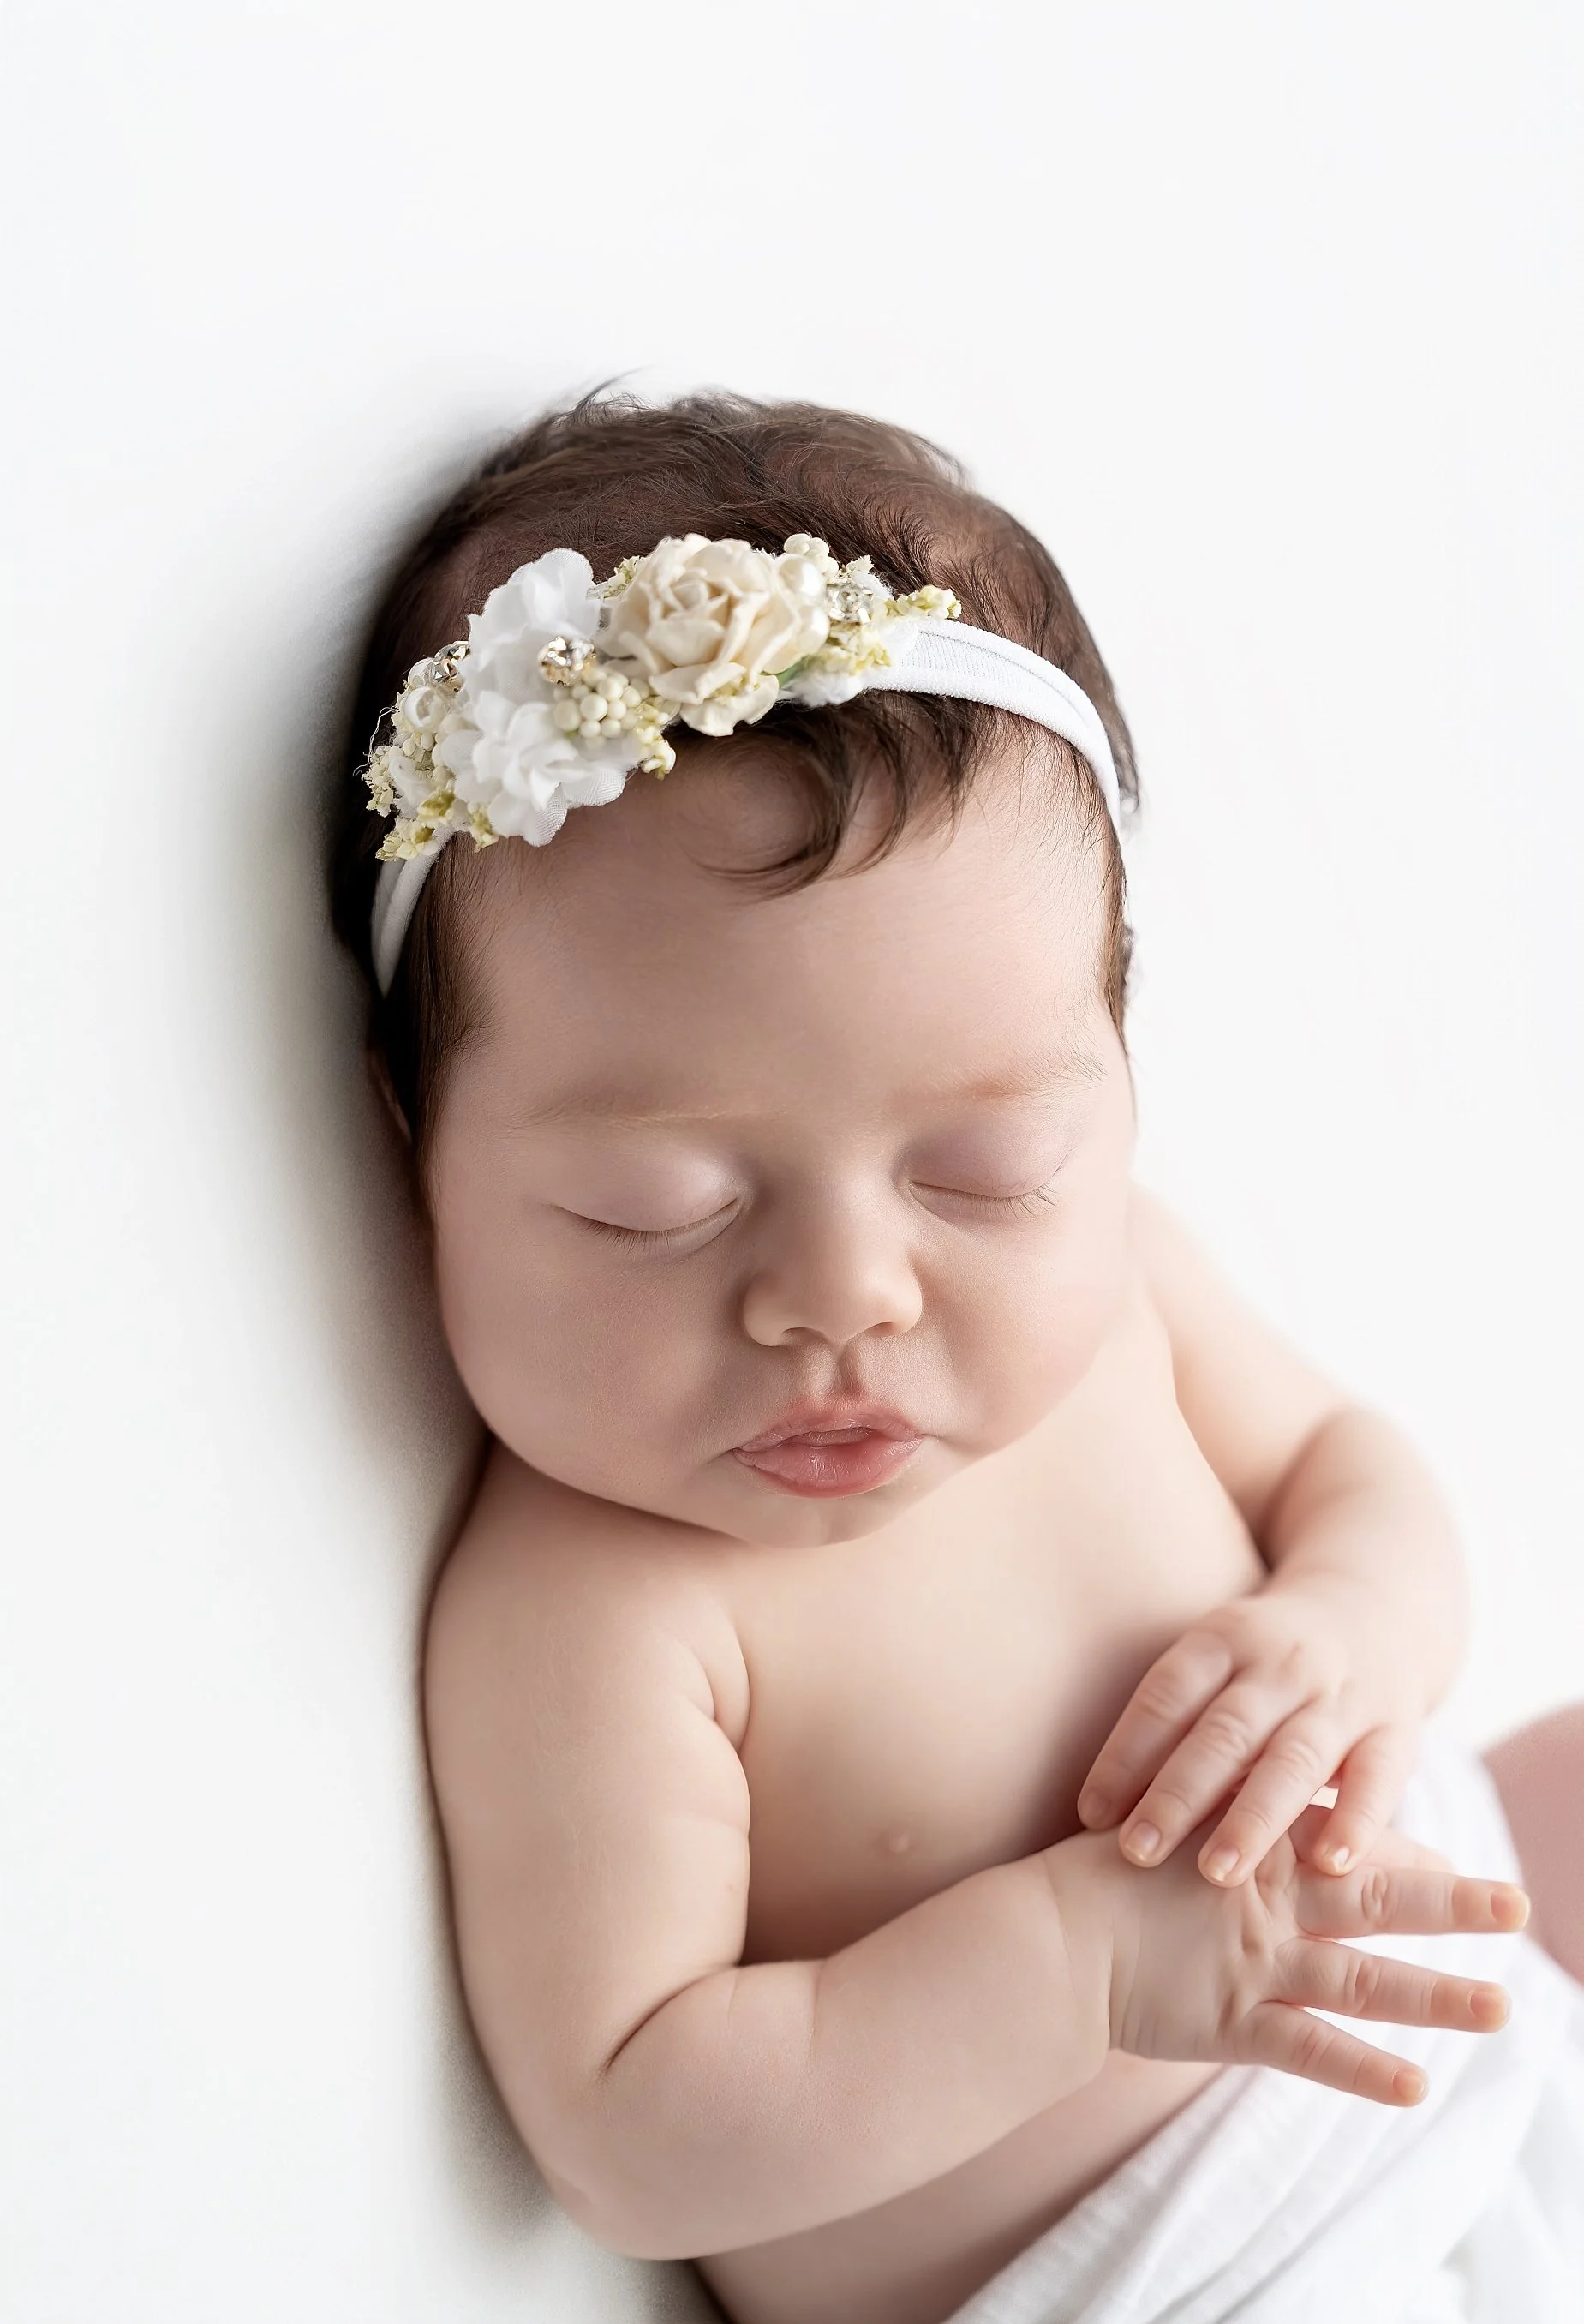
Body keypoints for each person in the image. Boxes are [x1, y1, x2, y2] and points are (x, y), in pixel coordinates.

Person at [329, 392, 1584, 2324]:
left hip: (1463, 1994)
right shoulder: (599, 1608)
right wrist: (1079, 1968)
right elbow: (631, 2122)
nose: (848, 1297)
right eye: (658, 1202)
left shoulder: (1119, 1303)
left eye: (986, 1170)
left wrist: (1347, 1622)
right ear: (411, 1147)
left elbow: (1356, 1464)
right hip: (1195, 2282)